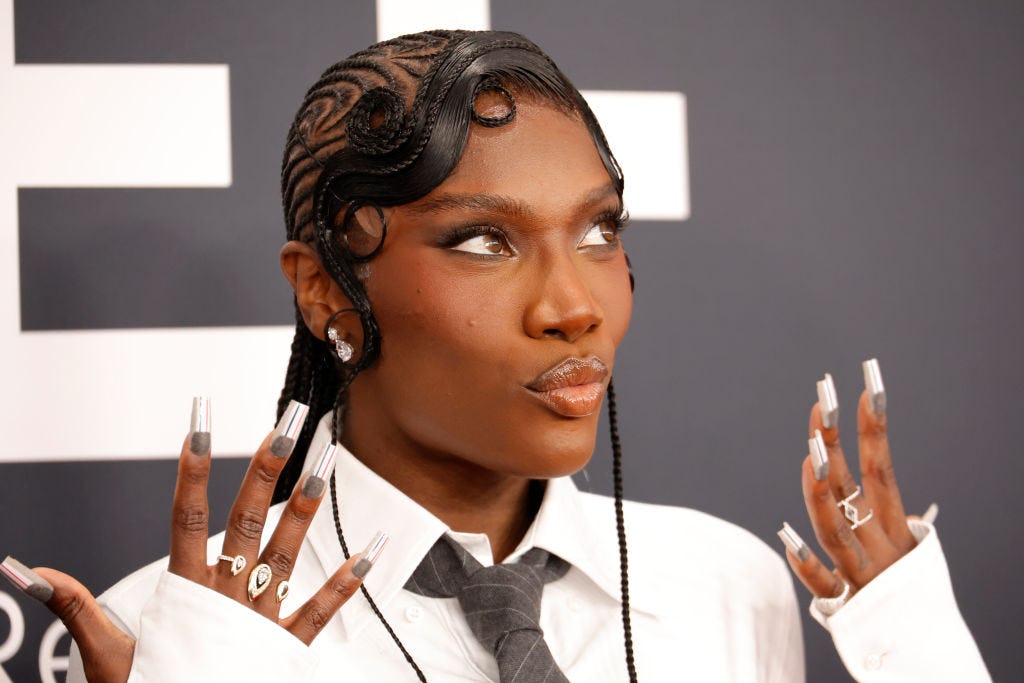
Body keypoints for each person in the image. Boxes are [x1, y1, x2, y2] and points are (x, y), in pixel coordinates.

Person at [0, 30, 989, 681]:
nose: (574, 307)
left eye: (599, 231)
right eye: (484, 240)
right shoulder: (182, 633)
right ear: (321, 286)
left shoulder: (727, 582)